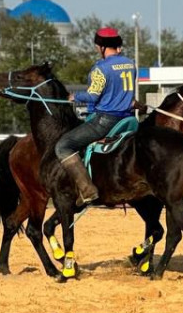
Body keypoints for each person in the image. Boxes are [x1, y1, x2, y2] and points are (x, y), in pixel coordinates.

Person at [56, 27, 137, 205]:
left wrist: (74, 97)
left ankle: (87, 189)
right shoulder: (131, 64)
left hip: (105, 121)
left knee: (64, 145)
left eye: (96, 46)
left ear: (101, 46)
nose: (96, 49)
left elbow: (93, 96)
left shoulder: (101, 68)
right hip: (128, 120)